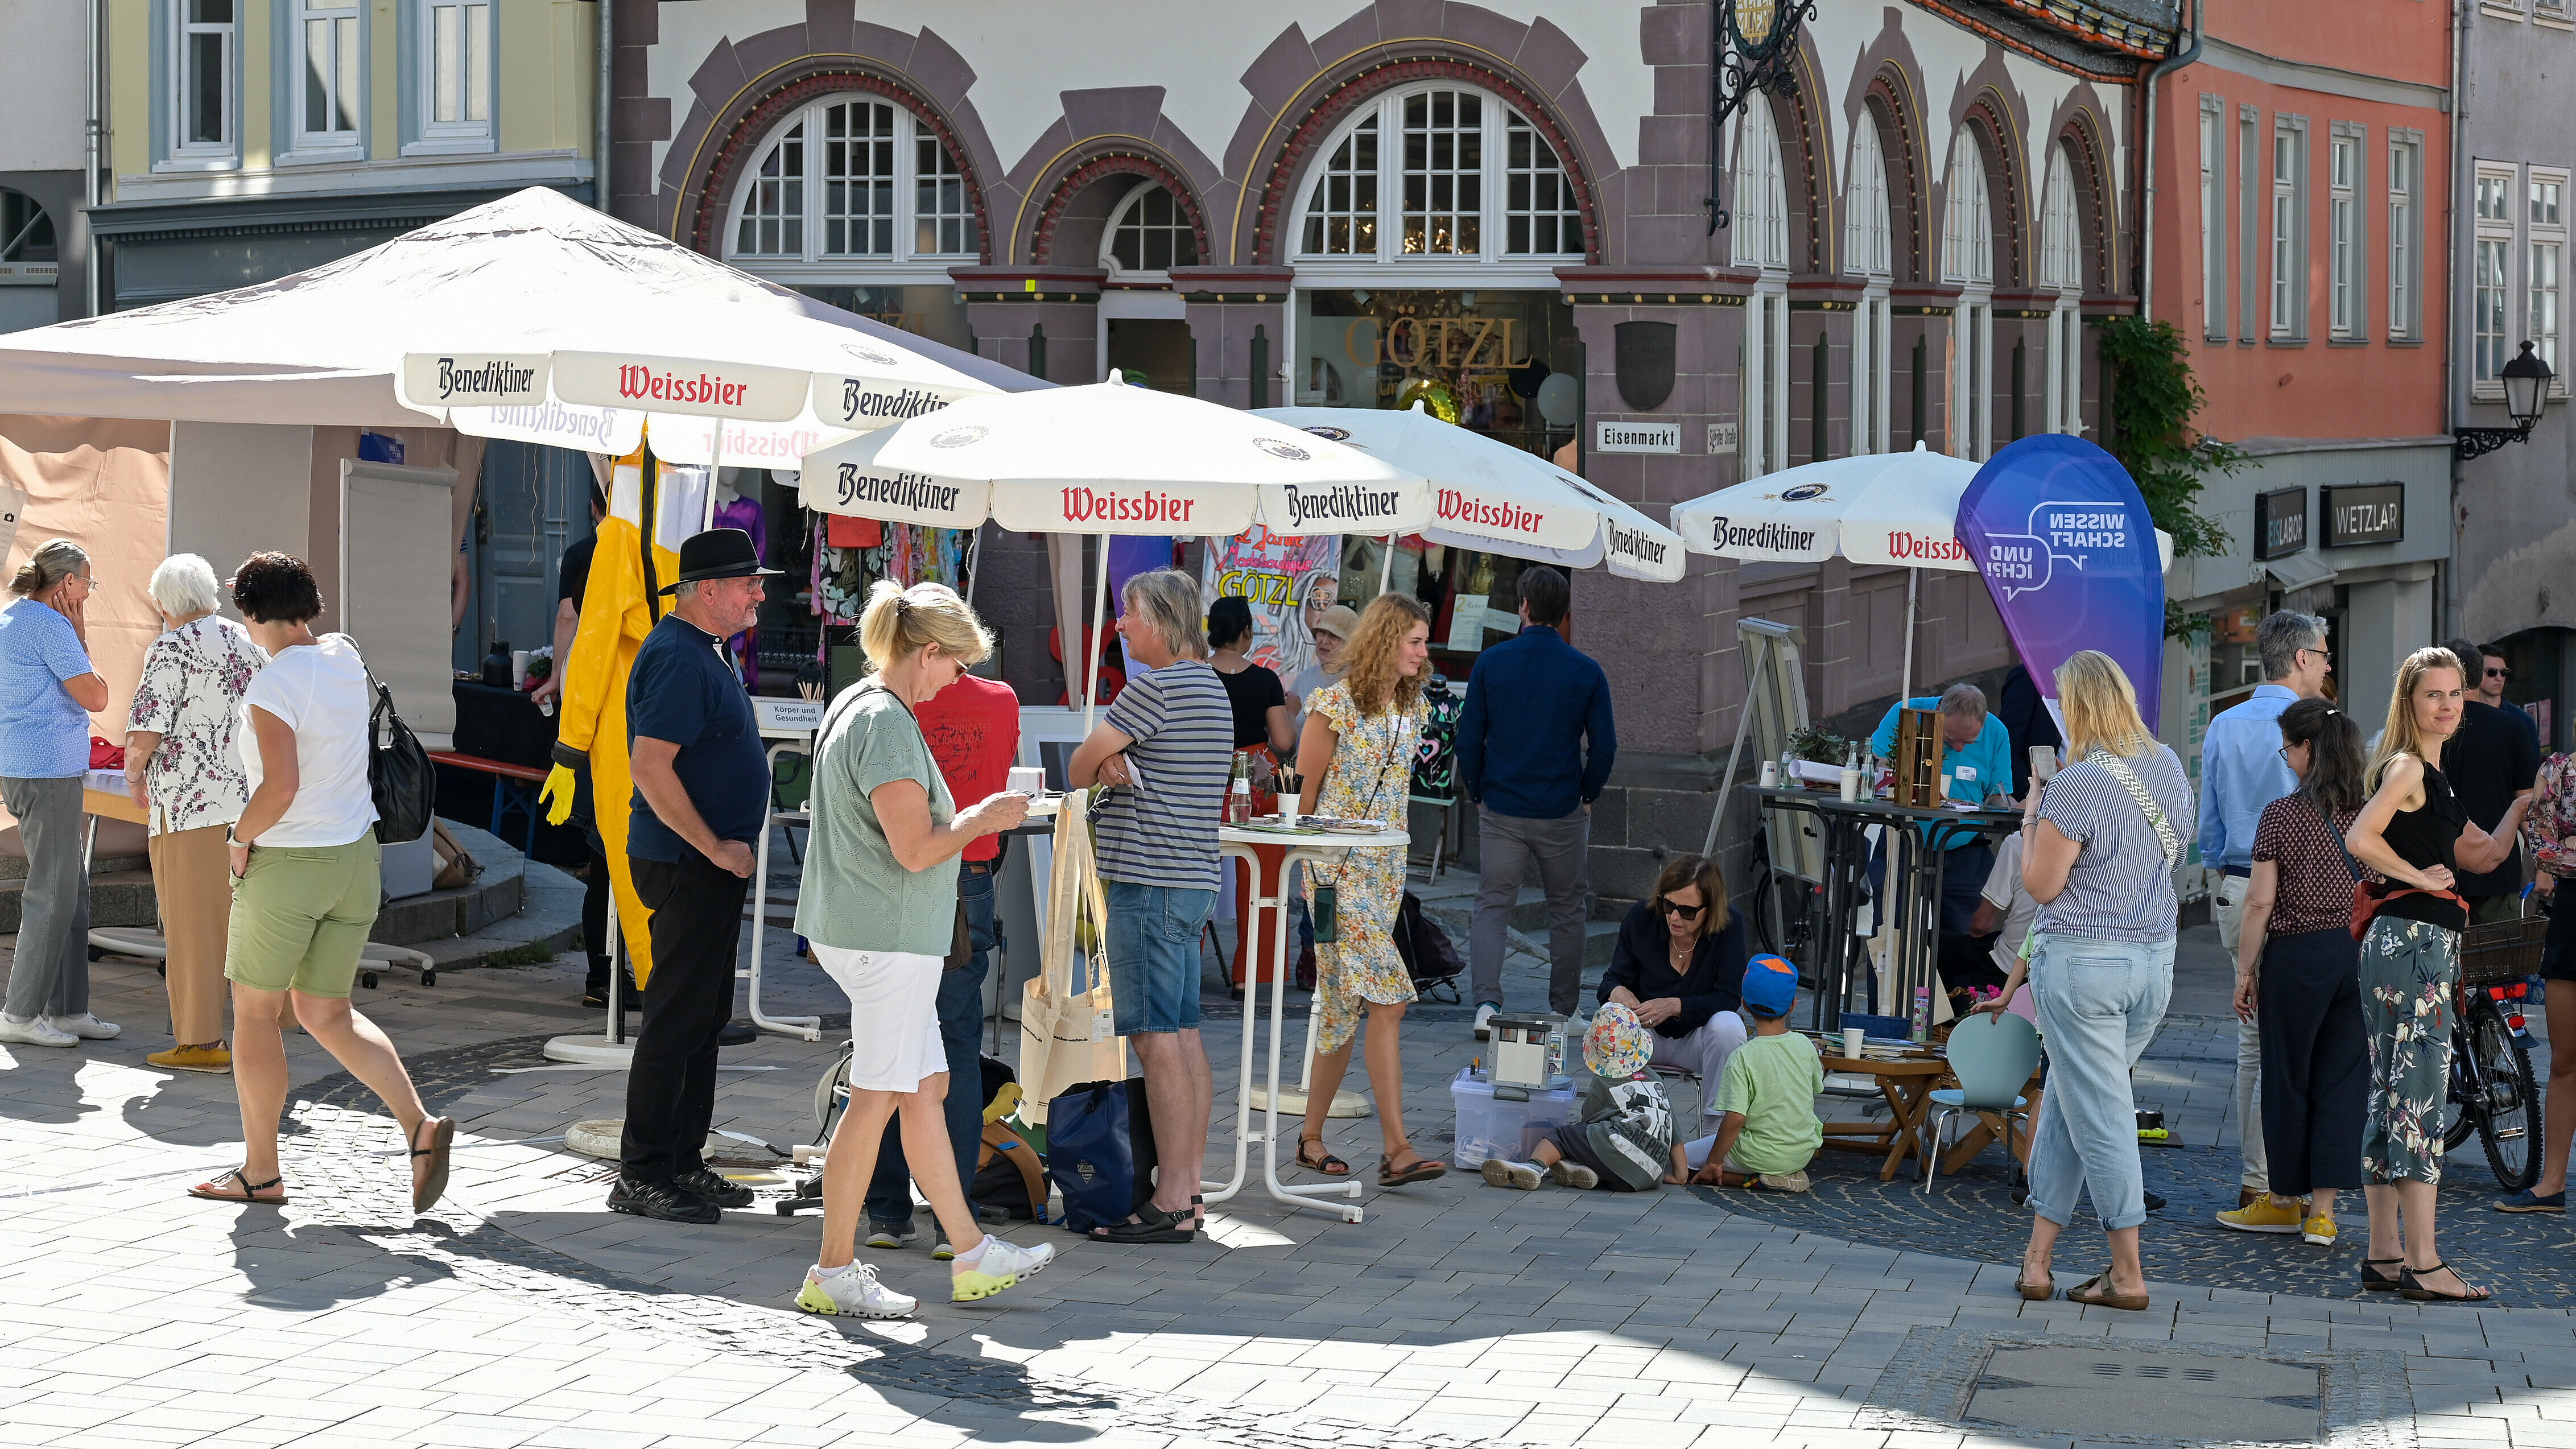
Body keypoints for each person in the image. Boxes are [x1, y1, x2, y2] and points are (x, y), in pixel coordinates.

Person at [793, 580, 1048, 1317]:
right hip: (887, 938)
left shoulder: (862, 704)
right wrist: (983, 816)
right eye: (956, 664)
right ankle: (834, 1267)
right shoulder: (887, 721)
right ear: (927, 652)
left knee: (924, 1087)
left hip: (878, 933)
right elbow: (915, 848)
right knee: (877, 1098)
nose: (957, 679)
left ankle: (968, 1250)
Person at [187, 552, 452, 1212]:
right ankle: (418, 1126)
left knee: (254, 1015)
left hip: (289, 865)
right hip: (357, 861)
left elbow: (280, 788)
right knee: (326, 1011)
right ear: (310, 605)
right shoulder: (344, 656)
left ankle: (261, 1171)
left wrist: (238, 838)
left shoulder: (271, 686)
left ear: (249, 616)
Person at [1981, 650, 2193, 1312]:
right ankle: (2037, 1261)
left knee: (2099, 1116)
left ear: (2074, 710)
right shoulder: (2167, 766)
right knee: (2076, 1105)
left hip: (2082, 968)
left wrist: (2031, 816)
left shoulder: (2075, 785)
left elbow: (2042, 886)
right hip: (2153, 964)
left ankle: (2127, 1272)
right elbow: (2178, 850)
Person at [2343, 646, 2531, 1301]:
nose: (2448, 704)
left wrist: (2520, 807)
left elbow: (2482, 854)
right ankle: (2423, 1261)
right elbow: (2360, 839)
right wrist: (2418, 877)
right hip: (2414, 942)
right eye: (2434, 695)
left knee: (2391, 1095)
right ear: (2409, 702)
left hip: (2407, 944)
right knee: (2419, 1094)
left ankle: (2385, 1255)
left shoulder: (2433, 776)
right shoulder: (2406, 768)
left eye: (2455, 694)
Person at [608, 528, 781, 1225]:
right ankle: (642, 1172)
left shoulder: (704, 649)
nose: (759, 596)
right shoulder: (680, 657)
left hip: (705, 860)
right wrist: (713, 847)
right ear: (708, 591)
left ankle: (681, 1160)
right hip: (687, 860)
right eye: (749, 585)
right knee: (677, 1018)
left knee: (703, 1016)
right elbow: (650, 768)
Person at [1067, 568, 1234, 1242]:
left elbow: (1080, 765)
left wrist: (1106, 759)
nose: (1121, 626)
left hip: (1149, 879)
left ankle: (1169, 1198)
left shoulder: (1154, 689)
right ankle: (1188, 1189)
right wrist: (1115, 759)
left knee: (1155, 1040)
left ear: (1161, 622)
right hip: (1190, 879)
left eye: (1129, 615)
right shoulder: (1212, 688)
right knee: (1184, 1035)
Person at [862, 645, 1021, 1256]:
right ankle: (955, 1218)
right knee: (953, 1045)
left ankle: (884, 1210)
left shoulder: (888, 705)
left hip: (896, 877)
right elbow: (1002, 779)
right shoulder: (1000, 700)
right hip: (967, 876)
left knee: (884, 1045)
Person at [1289, 594, 1446, 1187]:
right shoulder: (1332, 703)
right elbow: (1301, 799)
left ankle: (1309, 1139)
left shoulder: (1412, 707)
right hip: (1332, 878)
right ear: (1386, 640)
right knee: (1390, 999)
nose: (1423, 652)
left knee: (1339, 1008)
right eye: (1414, 641)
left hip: (1383, 877)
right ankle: (1397, 1148)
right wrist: (1299, 872)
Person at [2218, 699, 2370, 1247]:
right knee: (2342, 1080)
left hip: (2297, 954)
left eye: (2289, 748)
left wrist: (2245, 970)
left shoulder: (2282, 814)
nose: (2287, 759)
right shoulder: (2370, 811)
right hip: (2356, 954)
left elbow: (2259, 903)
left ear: (2310, 748)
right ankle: (2324, 1214)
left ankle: (2283, 1200)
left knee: (2287, 1078)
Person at [2198, 610, 2333, 1210]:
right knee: (2309, 1046)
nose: (2328, 665)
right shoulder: (2325, 726)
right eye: (2324, 655)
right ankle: (2293, 1186)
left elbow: (2209, 829)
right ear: (2301, 658)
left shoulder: (2223, 724)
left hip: (2235, 886)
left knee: (2254, 1045)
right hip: (2306, 899)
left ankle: (2262, 1181)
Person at [123, 553, 268, 1073]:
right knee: (244, 926)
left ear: (164, 603)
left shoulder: (168, 649)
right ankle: (265, 1031)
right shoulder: (247, 642)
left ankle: (201, 1043)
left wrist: (134, 775)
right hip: (250, 806)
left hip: (189, 807)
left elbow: (144, 735)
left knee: (192, 931)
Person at [1458, 565, 1616, 1036]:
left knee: (1492, 904)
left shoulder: (1491, 663)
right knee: (1567, 908)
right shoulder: (1586, 670)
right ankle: (1565, 1010)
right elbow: (1604, 746)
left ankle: (1486, 1003)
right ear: (1565, 613)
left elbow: (1469, 740)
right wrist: (1589, 792)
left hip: (1502, 804)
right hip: (1562, 807)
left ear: (1523, 606)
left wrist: (1479, 790)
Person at [0, 539, 119, 1050]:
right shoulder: (52, 626)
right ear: (67, 583)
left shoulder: (11, 617)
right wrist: (79, 631)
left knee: (70, 889)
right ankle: (21, 1012)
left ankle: (68, 1008)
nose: (90, 591)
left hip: (30, 768)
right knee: (53, 892)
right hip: (47, 772)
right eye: (88, 582)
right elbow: (97, 695)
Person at [534, 482, 626, 1009]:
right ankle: (617, 974)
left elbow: (569, 616)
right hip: (632, 702)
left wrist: (555, 675)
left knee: (601, 854)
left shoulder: (583, 552)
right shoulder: (651, 551)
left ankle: (600, 976)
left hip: (589, 698)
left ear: (594, 505)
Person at [1596, 853, 1753, 1140]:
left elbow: (1729, 997)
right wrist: (1618, 992)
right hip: (1645, 1036)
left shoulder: (1730, 925)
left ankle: (1714, 1133)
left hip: (1698, 1039)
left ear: (1711, 909)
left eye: (1688, 911)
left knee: (1730, 1026)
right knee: (1610, 1015)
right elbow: (1612, 979)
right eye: (1668, 905)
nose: (1675, 917)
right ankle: (1613, 1126)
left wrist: (1675, 1006)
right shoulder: (1642, 918)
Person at [1865, 682, 2015, 938]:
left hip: (1964, 851)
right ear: (1939, 714)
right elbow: (1875, 767)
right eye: (1951, 739)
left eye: (1969, 743)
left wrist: (2020, 807)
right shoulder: (1907, 712)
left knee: (1961, 943)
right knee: (1891, 937)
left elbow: (1999, 795)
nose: (1959, 749)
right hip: (1904, 841)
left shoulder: (1997, 732)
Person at [1664, 955, 1822, 1192]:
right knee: (1706, 1161)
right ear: (1793, 1005)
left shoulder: (1742, 1056)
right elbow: (1815, 1088)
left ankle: (1751, 1179)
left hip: (1756, 1153)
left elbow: (1735, 1119)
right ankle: (1775, 1176)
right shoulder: (1805, 1045)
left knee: (1678, 1162)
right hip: (1801, 1152)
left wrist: (1715, 1161)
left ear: (1744, 1004)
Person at [1480, 1002, 1674, 1192]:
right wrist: (1680, 1175)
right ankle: (1588, 1171)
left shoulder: (1605, 1082)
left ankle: (1534, 1167)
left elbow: (1589, 1122)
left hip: (1620, 1151)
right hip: (1645, 1178)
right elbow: (1675, 1134)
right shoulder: (1656, 1081)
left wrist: (1572, 1135)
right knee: (1596, 1144)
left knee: (1564, 1136)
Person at [2501, 749, 2575, 1213]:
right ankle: (2551, 1183)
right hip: (2571, 917)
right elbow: (2544, 842)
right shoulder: (2559, 770)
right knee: (2564, 1059)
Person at [2439, 636, 2541, 927]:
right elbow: (2527, 802)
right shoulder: (2513, 727)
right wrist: (2541, 863)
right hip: (2498, 865)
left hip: (2441, 870)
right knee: (2500, 968)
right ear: (2477, 674)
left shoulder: (2430, 729)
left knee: (2445, 971)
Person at [1996, 663, 2063, 800]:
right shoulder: (2029, 677)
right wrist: (2031, 795)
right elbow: (2008, 747)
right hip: (2039, 801)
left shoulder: (2102, 680)